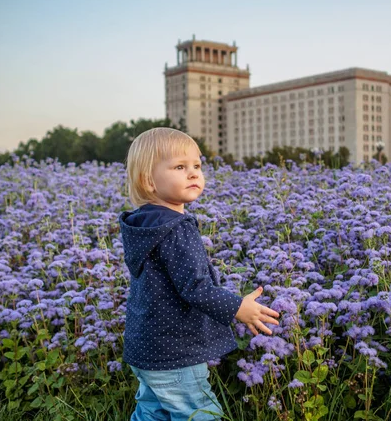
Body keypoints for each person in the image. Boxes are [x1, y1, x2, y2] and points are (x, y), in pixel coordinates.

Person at [118, 127, 280, 421]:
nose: (193, 174)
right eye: (180, 167)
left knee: (152, 413)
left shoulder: (144, 224)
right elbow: (195, 287)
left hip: (146, 348)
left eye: (197, 166)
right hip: (174, 353)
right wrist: (238, 307)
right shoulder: (176, 228)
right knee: (198, 413)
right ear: (148, 181)